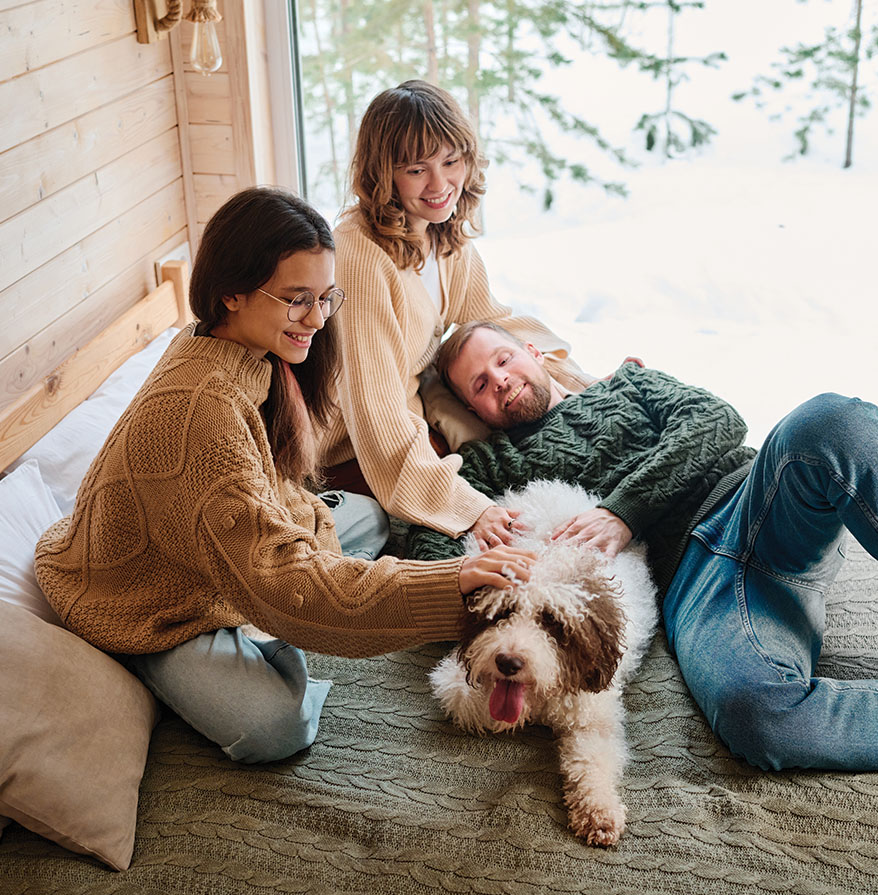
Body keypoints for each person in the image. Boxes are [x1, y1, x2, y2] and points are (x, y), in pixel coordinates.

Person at [33, 190, 534, 765]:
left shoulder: (235, 349)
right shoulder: (201, 413)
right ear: (232, 293)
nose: (319, 320)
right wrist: (452, 584)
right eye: (298, 300)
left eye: (325, 298)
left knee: (364, 516)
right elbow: (283, 580)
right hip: (145, 605)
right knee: (278, 726)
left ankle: (260, 624)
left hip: (213, 550)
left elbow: (269, 491)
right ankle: (209, 655)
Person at [408, 320, 878, 773]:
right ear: (473, 410)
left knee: (830, 421)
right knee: (756, 714)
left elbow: (717, 420)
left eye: (504, 359)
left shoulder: (628, 384)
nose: (498, 379)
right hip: (694, 585)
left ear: (533, 352)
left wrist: (624, 510)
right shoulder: (489, 464)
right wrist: (476, 521)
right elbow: (427, 538)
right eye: (479, 384)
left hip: (755, 500)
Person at [319, 79, 595, 549]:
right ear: (383, 174)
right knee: (494, 479)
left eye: (451, 162)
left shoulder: (443, 237)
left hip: (412, 422)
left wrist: (584, 384)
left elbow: (495, 324)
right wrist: (469, 509)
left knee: (539, 425)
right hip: (345, 446)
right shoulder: (360, 254)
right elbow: (375, 408)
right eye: (416, 170)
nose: (441, 185)